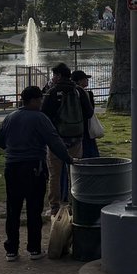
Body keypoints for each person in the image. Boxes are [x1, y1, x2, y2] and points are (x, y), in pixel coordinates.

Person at [0, 86, 73, 260]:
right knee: (34, 207)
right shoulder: (40, 118)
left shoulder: (10, 117)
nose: (42, 102)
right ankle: (34, 248)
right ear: (34, 100)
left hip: (12, 166)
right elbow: (54, 140)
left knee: (13, 208)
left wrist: (13, 149)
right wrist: (69, 159)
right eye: (41, 99)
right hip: (33, 166)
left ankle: (11, 250)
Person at [42, 63, 91, 215]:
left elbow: (44, 115)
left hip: (57, 139)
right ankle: (74, 203)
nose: (53, 78)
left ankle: (54, 206)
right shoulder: (79, 92)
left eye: (54, 75)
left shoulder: (52, 92)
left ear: (59, 76)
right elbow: (89, 113)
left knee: (54, 174)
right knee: (75, 171)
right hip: (76, 138)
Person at [72, 70, 99, 158]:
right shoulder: (87, 94)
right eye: (85, 79)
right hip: (86, 125)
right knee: (88, 147)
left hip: (75, 125)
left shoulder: (70, 93)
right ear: (80, 81)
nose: (87, 80)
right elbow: (90, 110)